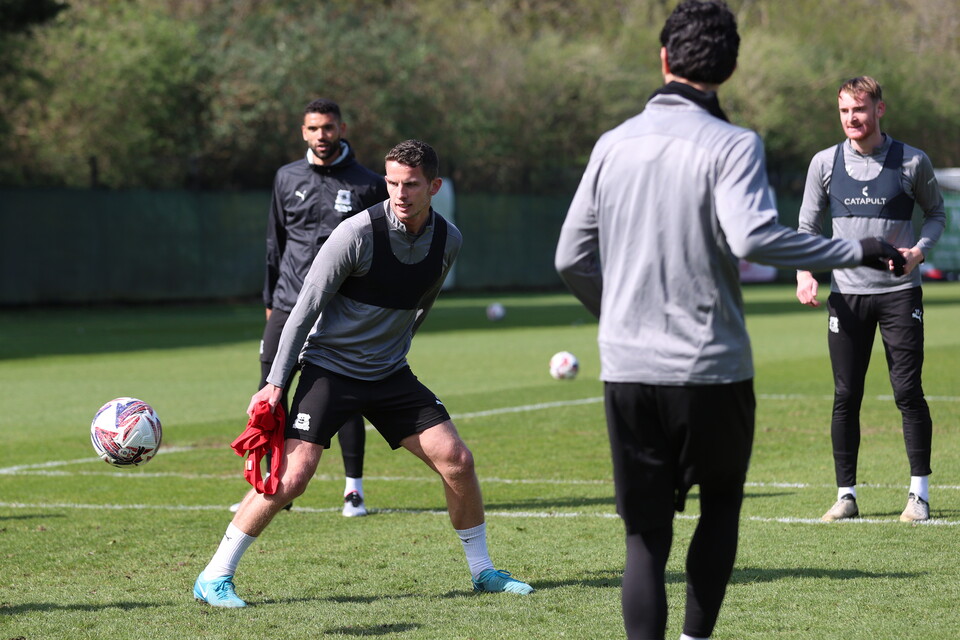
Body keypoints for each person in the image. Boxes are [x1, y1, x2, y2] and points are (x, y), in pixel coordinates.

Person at [554, 2, 905, 639]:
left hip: (629, 369)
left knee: (644, 537)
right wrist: (853, 249)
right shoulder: (733, 143)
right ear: (731, 66)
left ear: (663, 59)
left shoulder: (612, 144)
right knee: (719, 508)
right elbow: (751, 236)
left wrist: (617, 318)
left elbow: (569, 256)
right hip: (709, 368)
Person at [195, 140, 533, 607]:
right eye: (392, 182)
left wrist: (396, 348)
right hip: (329, 371)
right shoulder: (355, 233)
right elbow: (304, 308)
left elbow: (423, 302)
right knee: (292, 479)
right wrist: (275, 385)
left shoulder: (448, 239)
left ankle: (483, 572)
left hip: (390, 373)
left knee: (458, 460)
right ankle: (214, 576)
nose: (399, 192)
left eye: (411, 184)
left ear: (433, 186)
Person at [795, 76, 946, 524]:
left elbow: (936, 213)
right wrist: (804, 272)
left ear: (879, 109)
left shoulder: (911, 161)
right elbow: (807, 226)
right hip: (847, 297)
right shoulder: (824, 163)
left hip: (900, 294)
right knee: (846, 395)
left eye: (859, 109)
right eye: (844, 111)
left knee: (907, 392)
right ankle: (846, 495)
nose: (851, 119)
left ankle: (918, 495)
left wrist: (919, 251)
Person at [247, 98, 388, 517]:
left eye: (328, 128)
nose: (321, 136)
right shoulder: (286, 177)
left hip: (339, 311)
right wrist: (270, 302)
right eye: (313, 129)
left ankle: (353, 490)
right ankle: (273, 486)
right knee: (270, 393)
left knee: (345, 393)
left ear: (342, 128)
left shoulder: (367, 183)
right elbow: (275, 241)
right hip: (289, 303)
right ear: (303, 132)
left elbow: (378, 251)